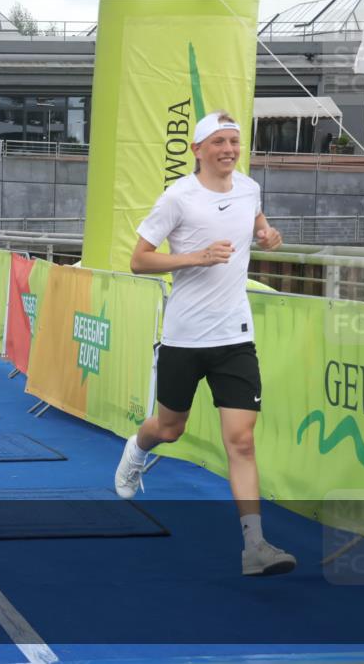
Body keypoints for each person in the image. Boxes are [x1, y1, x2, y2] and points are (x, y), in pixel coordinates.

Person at [113, 111, 292, 576]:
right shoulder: (178, 198)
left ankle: (255, 546)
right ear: (197, 149)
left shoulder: (249, 188)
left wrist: (269, 237)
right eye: (219, 142)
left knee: (242, 441)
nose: (229, 149)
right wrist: (196, 257)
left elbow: (259, 229)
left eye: (234, 141)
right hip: (184, 337)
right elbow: (138, 261)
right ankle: (138, 447)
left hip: (235, 335)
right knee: (169, 428)